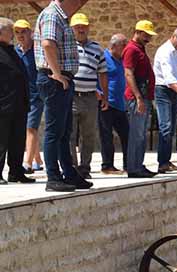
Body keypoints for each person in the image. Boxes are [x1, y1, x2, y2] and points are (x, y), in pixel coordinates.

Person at [34, 0, 93, 192]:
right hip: (54, 79)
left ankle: (69, 173)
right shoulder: (52, 14)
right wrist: (57, 73)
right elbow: (48, 44)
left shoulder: (60, 16)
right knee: (54, 132)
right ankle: (53, 176)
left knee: (64, 132)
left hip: (62, 79)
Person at [69, 13, 109, 179]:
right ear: (72, 28)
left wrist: (105, 96)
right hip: (71, 97)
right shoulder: (67, 46)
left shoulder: (97, 48)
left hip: (90, 97)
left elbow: (103, 73)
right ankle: (71, 167)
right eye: (77, 26)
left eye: (84, 26)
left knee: (89, 135)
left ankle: (84, 168)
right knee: (70, 135)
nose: (81, 29)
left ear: (88, 28)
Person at [0, 17, 34, 185]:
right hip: (4, 105)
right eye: (10, 30)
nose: (12, 34)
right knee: (1, 140)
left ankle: (16, 172)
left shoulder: (10, 50)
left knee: (17, 140)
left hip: (19, 104)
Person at [123, 20, 158, 178]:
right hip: (138, 97)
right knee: (136, 134)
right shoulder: (131, 50)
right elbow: (128, 73)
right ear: (137, 32)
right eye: (146, 35)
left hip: (145, 96)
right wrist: (138, 98)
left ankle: (138, 164)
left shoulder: (140, 49)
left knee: (142, 134)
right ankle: (133, 167)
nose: (148, 39)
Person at [153, 27, 177, 173]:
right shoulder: (165, 51)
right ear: (173, 37)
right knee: (166, 126)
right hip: (163, 90)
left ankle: (166, 161)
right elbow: (168, 77)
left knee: (171, 127)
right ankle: (162, 163)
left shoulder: (176, 51)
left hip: (172, 90)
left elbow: (175, 74)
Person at [13, 19, 45, 174]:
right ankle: (38, 160)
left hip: (36, 96)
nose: (20, 35)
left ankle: (28, 163)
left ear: (30, 32)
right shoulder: (15, 52)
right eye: (17, 32)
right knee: (30, 127)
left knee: (31, 128)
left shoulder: (37, 51)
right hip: (20, 97)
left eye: (23, 31)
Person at [98, 34, 128, 175]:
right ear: (113, 46)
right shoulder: (103, 57)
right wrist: (98, 93)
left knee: (126, 134)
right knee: (106, 135)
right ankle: (107, 166)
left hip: (120, 104)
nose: (125, 48)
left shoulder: (122, 60)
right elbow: (96, 76)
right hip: (106, 103)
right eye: (123, 45)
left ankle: (129, 164)